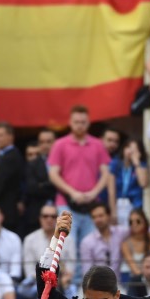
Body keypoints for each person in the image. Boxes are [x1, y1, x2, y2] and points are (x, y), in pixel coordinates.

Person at [47, 105, 113, 261]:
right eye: (76, 121)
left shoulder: (98, 144)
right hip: (66, 202)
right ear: (70, 122)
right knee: (67, 244)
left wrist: (94, 193)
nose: (80, 125)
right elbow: (53, 174)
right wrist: (72, 192)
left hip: (92, 204)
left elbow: (106, 173)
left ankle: (86, 281)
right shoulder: (60, 144)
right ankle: (72, 283)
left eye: (83, 122)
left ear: (88, 122)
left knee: (90, 246)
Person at [79, 202, 125, 278]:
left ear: (109, 216)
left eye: (101, 216)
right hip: (96, 285)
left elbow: (141, 229)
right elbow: (87, 272)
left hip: (117, 285)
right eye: (94, 217)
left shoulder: (120, 232)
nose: (98, 220)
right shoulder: (87, 242)